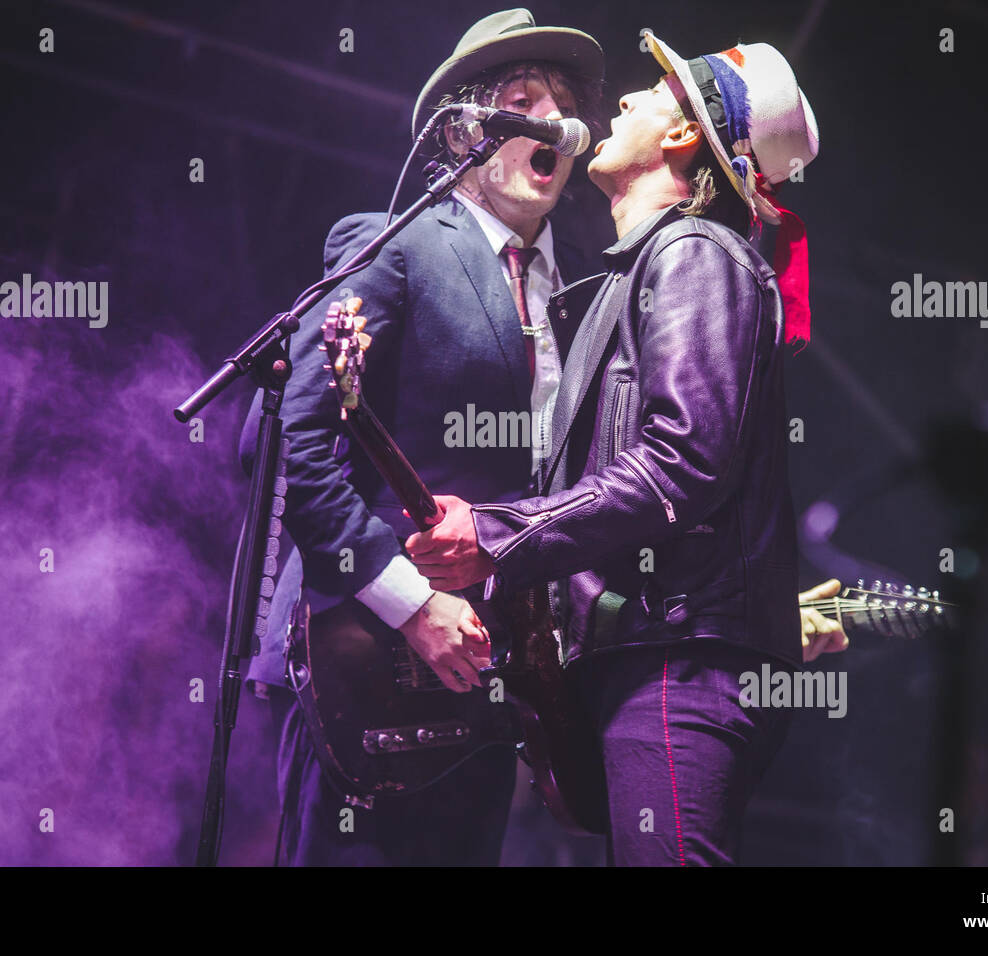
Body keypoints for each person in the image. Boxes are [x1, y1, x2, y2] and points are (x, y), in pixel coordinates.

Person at [406, 31, 824, 865]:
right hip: (650, 657)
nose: (622, 100)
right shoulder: (637, 274)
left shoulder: (695, 253)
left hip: (676, 662)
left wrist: (496, 535)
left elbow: (684, 464)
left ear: (679, 138)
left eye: (653, 93)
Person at [238, 9, 603, 866]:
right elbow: (298, 447)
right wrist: (410, 601)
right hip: (367, 655)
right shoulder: (394, 245)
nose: (551, 121)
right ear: (469, 133)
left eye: (562, 107)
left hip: (488, 681)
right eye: (524, 102)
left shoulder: (583, 288)